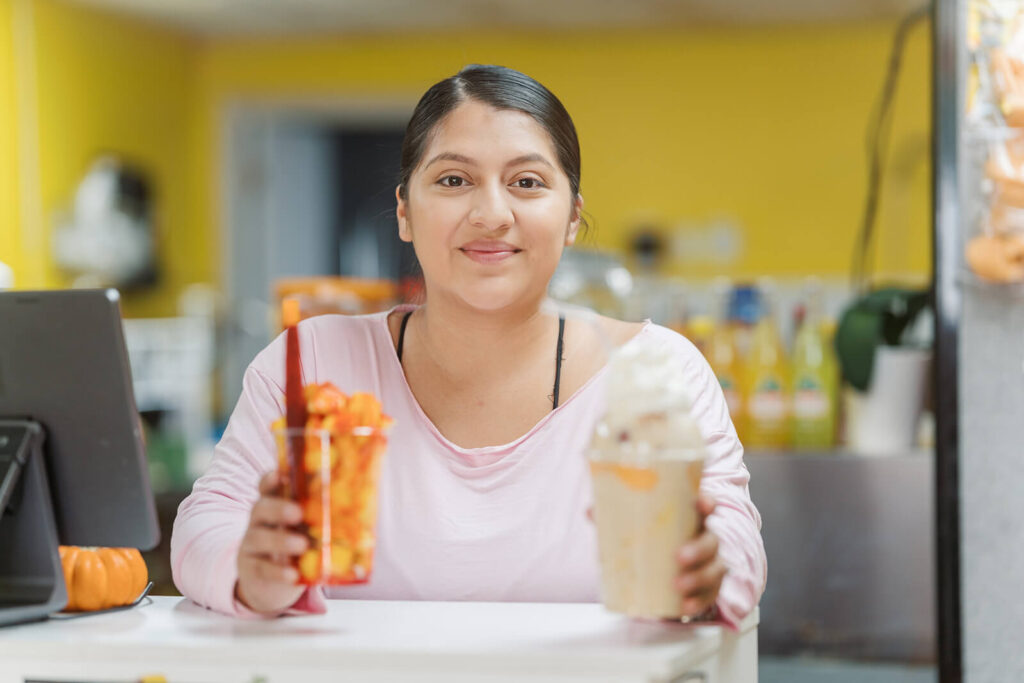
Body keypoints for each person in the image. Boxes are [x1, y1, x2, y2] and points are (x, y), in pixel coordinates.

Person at [171, 64, 766, 627]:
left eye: (526, 183)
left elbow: (735, 545)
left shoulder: (657, 372)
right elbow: (207, 523)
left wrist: (703, 574)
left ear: (572, 219)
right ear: (404, 210)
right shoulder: (315, 364)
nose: (491, 213)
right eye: (454, 180)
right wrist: (254, 573)